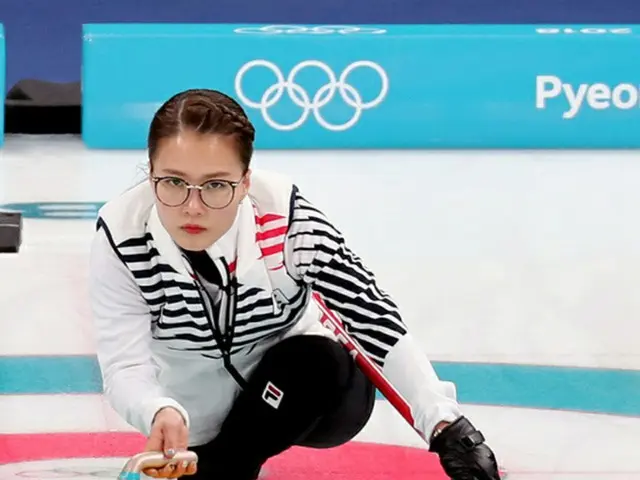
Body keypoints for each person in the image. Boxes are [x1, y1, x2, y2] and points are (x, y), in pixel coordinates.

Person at [89, 88, 501, 480]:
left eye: (216, 185)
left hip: (311, 394)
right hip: (198, 419)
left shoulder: (286, 218)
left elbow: (370, 316)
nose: (192, 206)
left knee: (318, 359)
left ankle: (228, 465)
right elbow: (125, 367)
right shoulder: (123, 236)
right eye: (174, 182)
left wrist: (445, 423)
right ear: (150, 173)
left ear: (245, 183)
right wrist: (158, 409)